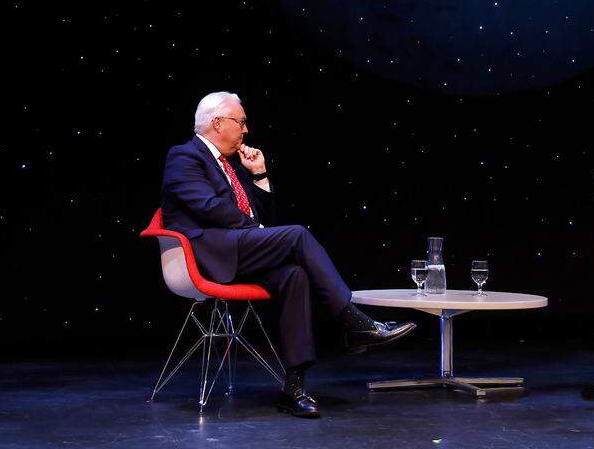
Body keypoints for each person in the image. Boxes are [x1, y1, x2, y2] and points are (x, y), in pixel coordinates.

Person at [161, 91, 416, 418]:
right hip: (208, 256)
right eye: (240, 122)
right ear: (216, 123)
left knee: (294, 275)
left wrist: (259, 175)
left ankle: (293, 388)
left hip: (241, 251)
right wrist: (257, 230)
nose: (245, 130)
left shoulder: (232, 166)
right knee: (297, 235)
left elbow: (264, 216)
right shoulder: (185, 156)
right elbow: (208, 208)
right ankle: (352, 321)